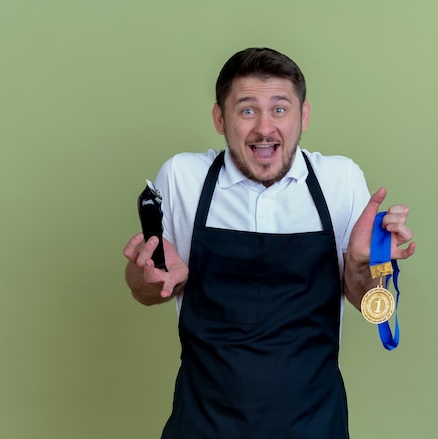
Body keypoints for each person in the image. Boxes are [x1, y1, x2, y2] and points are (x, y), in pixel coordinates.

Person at [123, 47, 416, 439]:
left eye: (280, 109)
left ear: (303, 116)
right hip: (203, 424)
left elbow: (366, 302)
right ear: (219, 118)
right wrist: (151, 276)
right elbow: (146, 290)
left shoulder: (339, 180)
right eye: (247, 110)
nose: (264, 127)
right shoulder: (182, 178)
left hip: (314, 424)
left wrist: (364, 264)